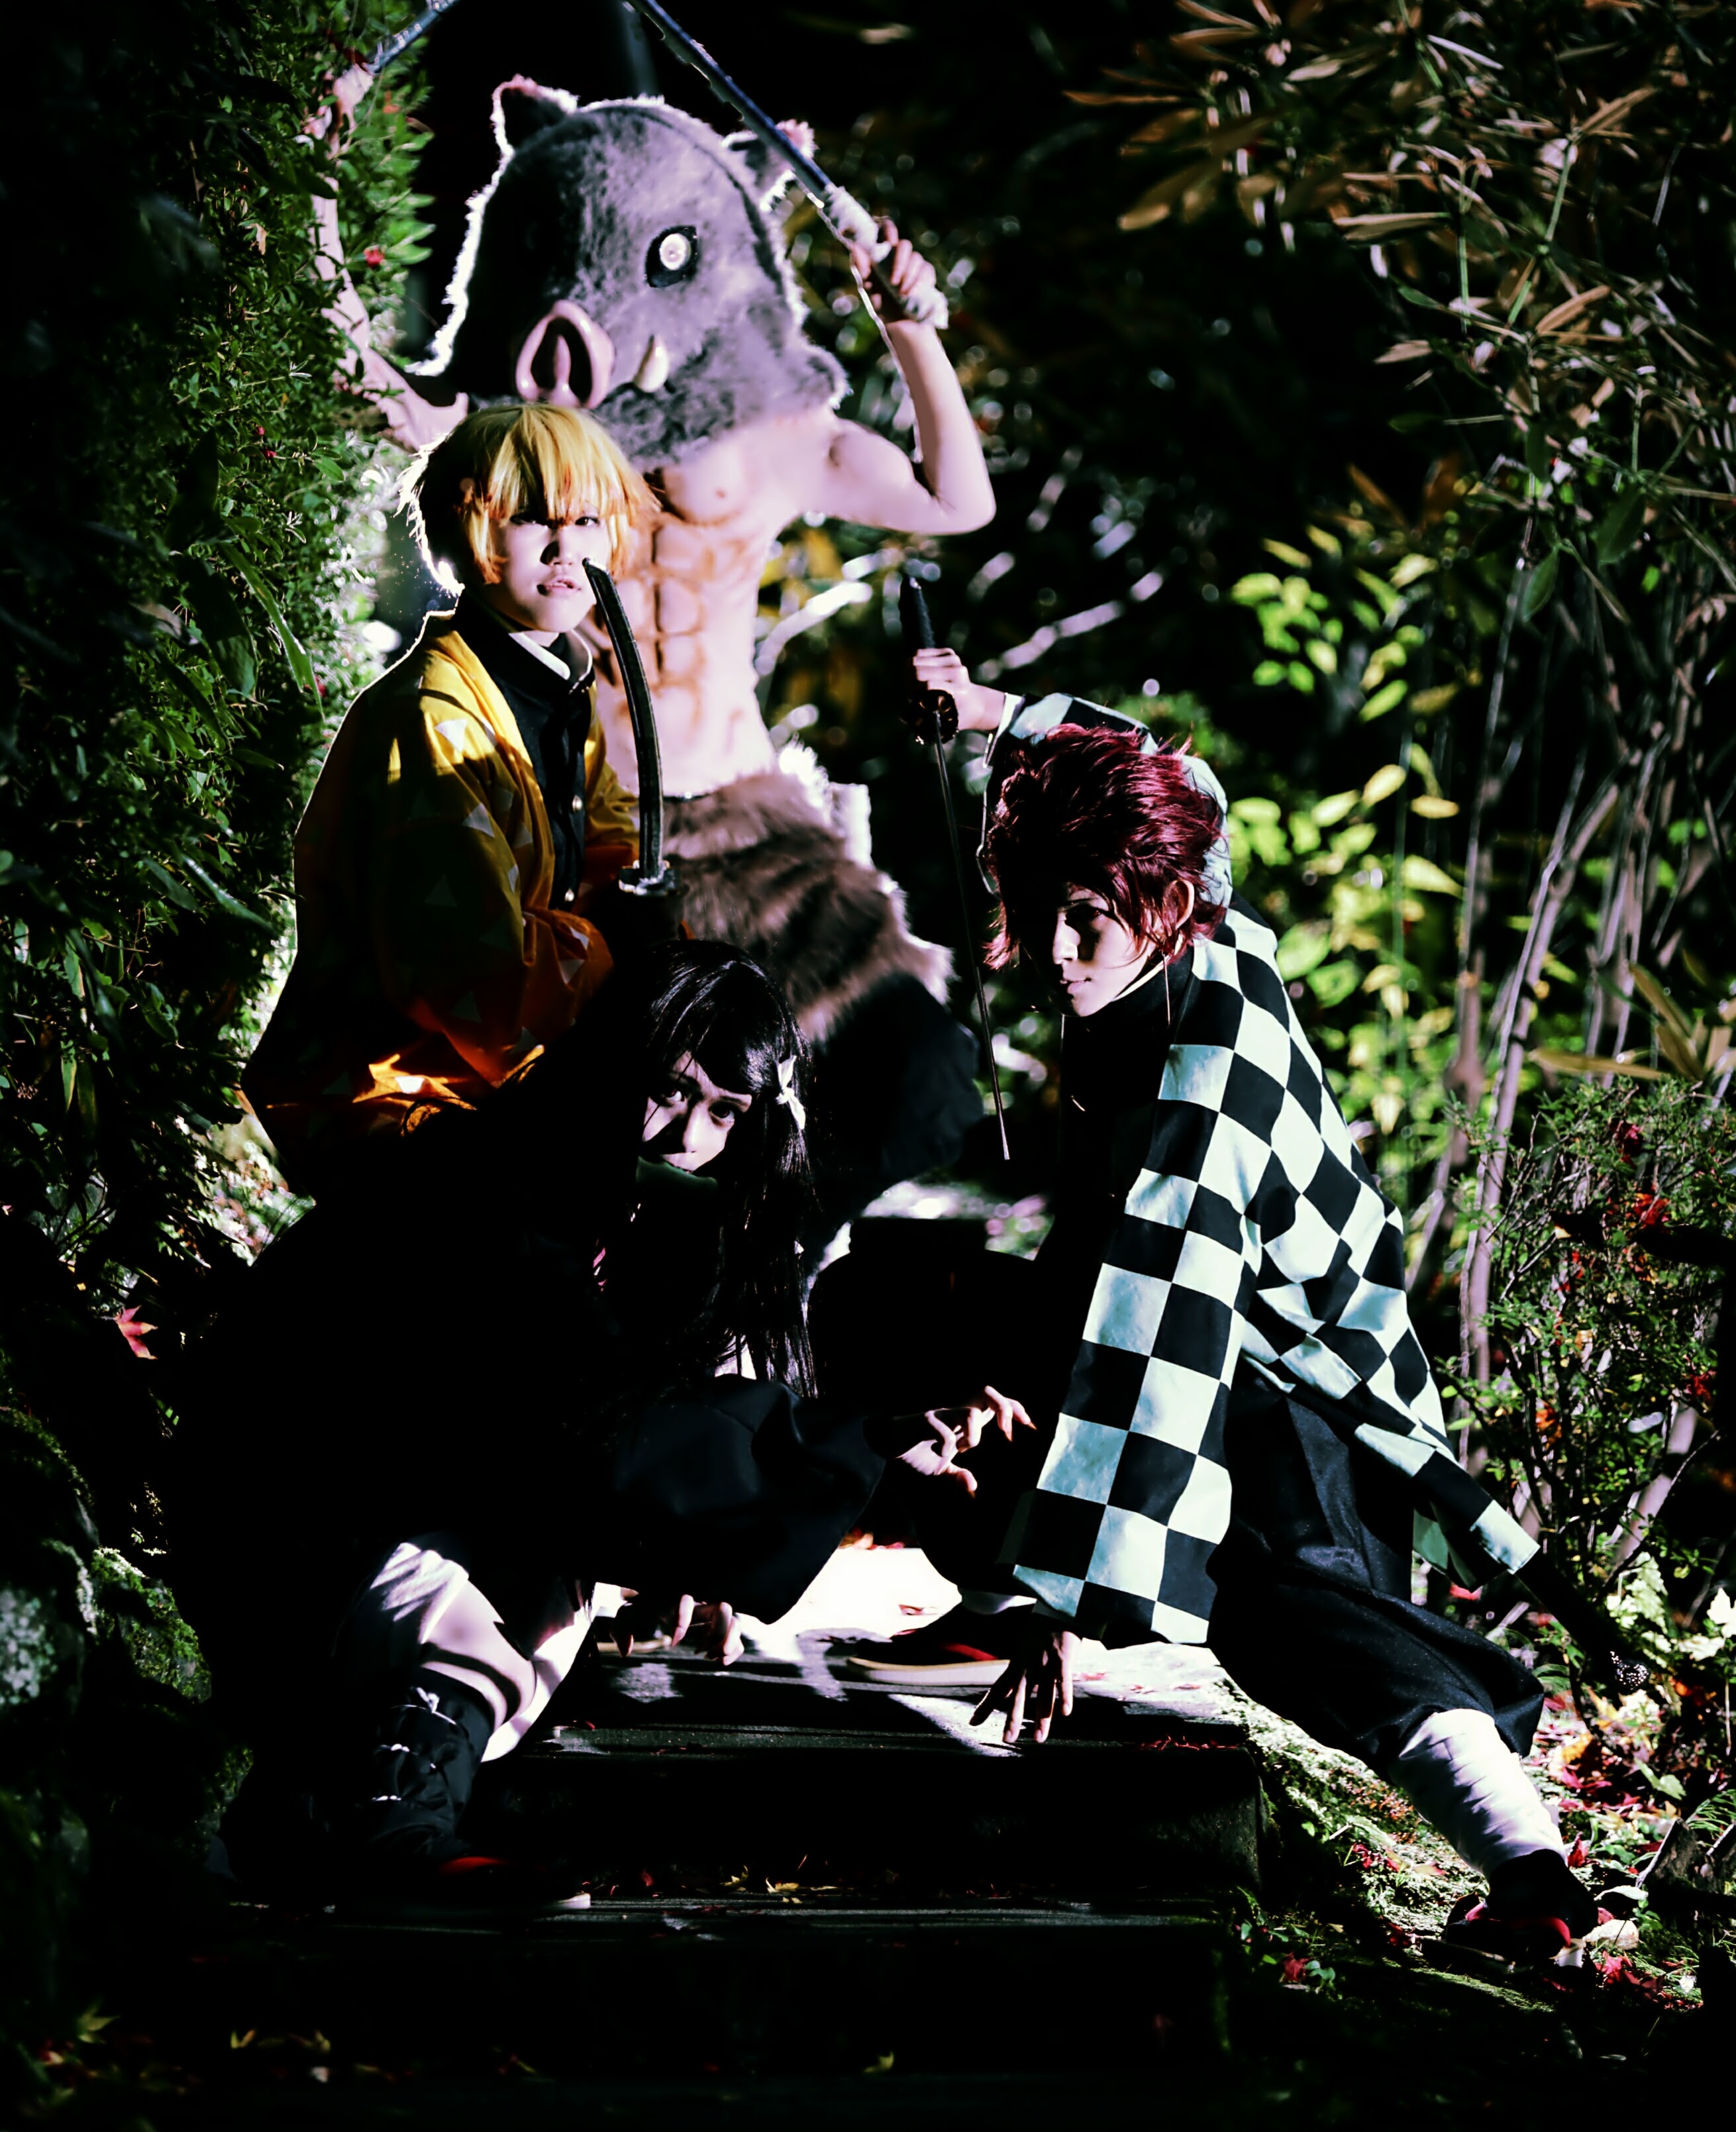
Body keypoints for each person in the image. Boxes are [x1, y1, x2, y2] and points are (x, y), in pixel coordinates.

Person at [835, 657, 1611, 1963]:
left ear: (1165, 904)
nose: (1059, 950)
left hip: (1299, 1401)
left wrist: (1058, 1603)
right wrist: (990, 713)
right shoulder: (1202, 920)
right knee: (999, 1332)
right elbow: (1171, 767)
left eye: (1087, 917)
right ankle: (1529, 1868)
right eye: (1042, 910)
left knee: (1296, 1618)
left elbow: (1157, 1337)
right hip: (1242, 1355)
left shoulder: (1199, 1085)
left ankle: (1530, 1868)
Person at [179, 943, 1023, 1900]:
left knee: (548, 1572)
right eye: (670, 1089)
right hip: (290, 1521)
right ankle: (385, 1819)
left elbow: (629, 1405)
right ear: (613, 1060)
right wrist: (854, 1447)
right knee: (517, 1576)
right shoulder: (484, 1185)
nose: (686, 1134)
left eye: (724, 1111)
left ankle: (377, 1804)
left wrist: (764, 1499)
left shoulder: (624, 1206)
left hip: (390, 1512)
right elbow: (583, 1422)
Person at [319, 63, 992, 1237]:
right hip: (601, 854)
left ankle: (752, 1279)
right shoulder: (524, 445)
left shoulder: (772, 436)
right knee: (606, 1141)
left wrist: (909, 324)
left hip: (756, 834)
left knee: (919, 1078)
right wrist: (319, 185)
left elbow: (954, 498)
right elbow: (367, 389)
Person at [242, 403, 659, 1189]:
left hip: (515, 1087)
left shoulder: (562, 689)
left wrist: (660, 945)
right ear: (464, 528)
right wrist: (618, 957)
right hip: (401, 1108)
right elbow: (474, 972)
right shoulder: (431, 720)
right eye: (530, 518)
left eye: (586, 519)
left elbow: (612, 849)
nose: (566, 547)